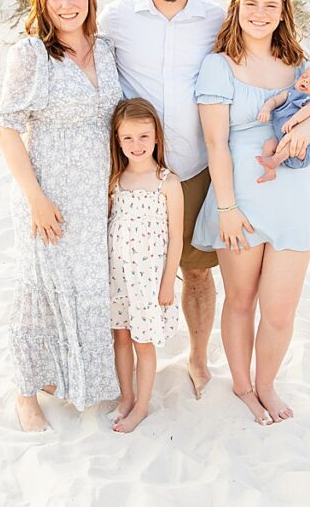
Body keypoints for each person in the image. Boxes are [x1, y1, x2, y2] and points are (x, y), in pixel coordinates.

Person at [192, 0, 310, 424]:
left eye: (270, 6)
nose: (259, 14)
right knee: (241, 299)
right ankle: (242, 387)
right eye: (251, 4)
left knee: (279, 308)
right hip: (241, 197)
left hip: (296, 199)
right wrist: (226, 208)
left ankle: (267, 385)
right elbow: (216, 143)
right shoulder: (218, 65)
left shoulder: (299, 65)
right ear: (237, 7)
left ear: (283, 14)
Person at [98, 0, 225, 399]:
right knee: (121, 269)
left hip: (192, 167)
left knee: (195, 270)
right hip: (133, 170)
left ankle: (197, 357)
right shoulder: (116, 18)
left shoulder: (215, 18)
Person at [0, 0, 123, 431]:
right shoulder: (31, 54)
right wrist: (36, 198)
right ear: (43, 5)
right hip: (46, 194)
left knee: (85, 289)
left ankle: (67, 379)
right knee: (38, 291)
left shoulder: (106, 50)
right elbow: (6, 129)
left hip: (95, 199)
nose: (67, 5)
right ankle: (25, 396)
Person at [107, 98, 183, 433]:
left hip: (149, 280)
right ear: (118, 140)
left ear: (156, 137)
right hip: (118, 277)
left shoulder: (167, 182)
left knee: (142, 341)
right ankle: (126, 396)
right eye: (128, 138)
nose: (136, 145)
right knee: (120, 337)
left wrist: (168, 282)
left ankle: (142, 405)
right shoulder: (116, 180)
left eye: (143, 136)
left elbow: (177, 238)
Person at [254, 64, 310, 183]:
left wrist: (294, 120)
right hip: (281, 143)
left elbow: (307, 110)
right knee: (269, 144)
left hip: (302, 148)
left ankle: (275, 160)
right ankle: (269, 172)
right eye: (304, 76)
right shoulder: (289, 93)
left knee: (292, 140)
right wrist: (266, 109)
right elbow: (274, 100)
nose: (306, 80)